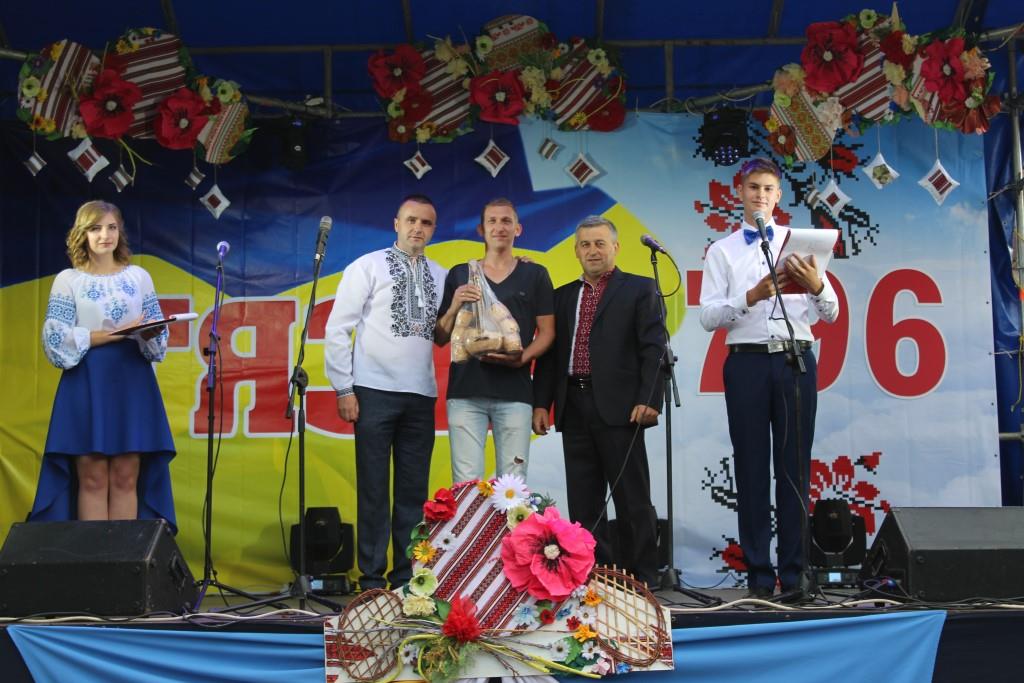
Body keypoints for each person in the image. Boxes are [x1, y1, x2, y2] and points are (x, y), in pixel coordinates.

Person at [698, 157, 840, 599]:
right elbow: (708, 316)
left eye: (768, 189)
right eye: (753, 187)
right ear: (740, 192)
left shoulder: (801, 245)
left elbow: (830, 313)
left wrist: (816, 285)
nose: (760, 195)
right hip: (747, 363)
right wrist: (750, 296)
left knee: (794, 469)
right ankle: (759, 577)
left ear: (779, 196)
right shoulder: (722, 250)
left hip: (795, 360)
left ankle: (795, 576)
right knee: (752, 469)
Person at [532, 215, 663, 587]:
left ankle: (643, 577)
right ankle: (596, 577)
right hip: (573, 405)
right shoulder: (562, 296)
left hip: (623, 409)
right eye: (585, 244)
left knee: (632, 496)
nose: (593, 250)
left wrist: (649, 399)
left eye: (600, 243)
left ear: (615, 248)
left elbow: (654, 349)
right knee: (584, 501)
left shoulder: (640, 289)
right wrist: (541, 403)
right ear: (576, 251)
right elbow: (550, 357)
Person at [324, 194, 446, 591]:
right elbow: (337, 328)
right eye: (411, 220)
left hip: (421, 395)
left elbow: (458, 322)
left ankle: (407, 579)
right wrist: (344, 388)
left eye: (425, 223)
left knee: (413, 492)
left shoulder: (442, 274)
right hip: (373, 391)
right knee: (374, 489)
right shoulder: (368, 266)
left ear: (433, 229)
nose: (417, 228)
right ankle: (373, 580)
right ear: (396, 223)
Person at [30, 200, 176, 530]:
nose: (105, 235)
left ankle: (124, 559)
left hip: (132, 380)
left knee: (126, 475)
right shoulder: (68, 280)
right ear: (82, 233)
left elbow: (157, 341)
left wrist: (150, 331)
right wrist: (114, 334)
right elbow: (56, 341)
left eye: (111, 227)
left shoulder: (139, 277)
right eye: (96, 228)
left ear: (120, 232)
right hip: (87, 380)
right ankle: (95, 558)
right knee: (93, 477)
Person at [434, 198, 555, 483]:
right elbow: (439, 337)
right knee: (466, 482)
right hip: (465, 392)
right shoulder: (460, 273)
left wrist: (522, 359)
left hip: (515, 392)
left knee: (513, 482)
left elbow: (548, 332)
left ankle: (512, 518)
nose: (499, 227)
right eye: (492, 221)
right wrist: (454, 305)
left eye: (506, 221)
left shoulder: (535, 274)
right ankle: (469, 517)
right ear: (481, 229)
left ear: (518, 229)